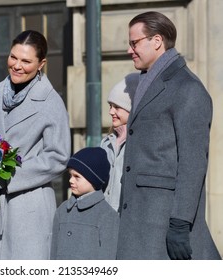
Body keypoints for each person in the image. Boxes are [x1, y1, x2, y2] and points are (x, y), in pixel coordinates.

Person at [117, 11, 221, 260]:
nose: (130, 50)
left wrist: (180, 222)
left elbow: (193, 163)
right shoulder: (146, 82)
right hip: (139, 218)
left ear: (157, 41)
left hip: (162, 222)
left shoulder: (187, 88)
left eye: (135, 43)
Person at [0, 30, 71, 259]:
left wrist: (7, 177)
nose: (17, 65)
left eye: (26, 61)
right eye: (13, 57)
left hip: (29, 207)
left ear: (41, 64)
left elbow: (58, 156)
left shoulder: (51, 101)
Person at [50, 147, 119, 259]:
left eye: (77, 177)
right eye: (70, 175)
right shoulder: (62, 210)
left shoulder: (107, 216)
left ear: (94, 179)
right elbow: (53, 253)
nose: (71, 180)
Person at [100, 73, 139, 212]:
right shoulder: (106, 143)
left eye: (116, 107)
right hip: (104, 218)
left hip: (127, 218)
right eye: (110, 106)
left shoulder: (139, 144)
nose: (111, 112)